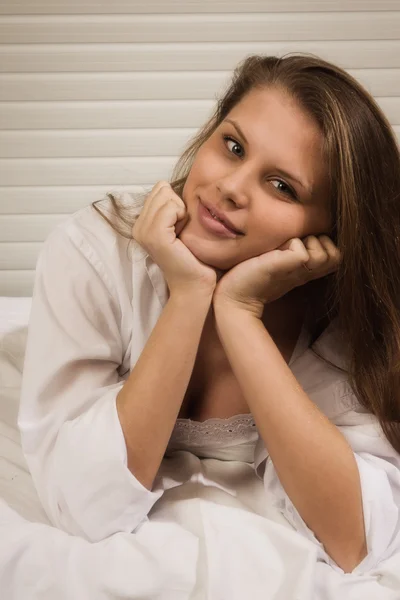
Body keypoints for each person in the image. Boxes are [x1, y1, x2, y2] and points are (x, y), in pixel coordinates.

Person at [18, 54, 400, 576]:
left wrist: (240, 314)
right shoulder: (93, 255)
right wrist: (190, 294)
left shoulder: (339, 320)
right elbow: (85, 506)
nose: (230, 189)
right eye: (233, 146)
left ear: (331, 231)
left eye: (282, 185)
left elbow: (354, 540)